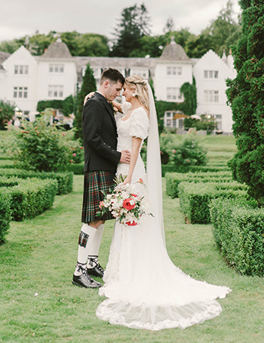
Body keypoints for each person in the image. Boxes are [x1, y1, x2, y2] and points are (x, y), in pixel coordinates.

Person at [96, 75, 230, 331]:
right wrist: (95, 97)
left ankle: (135, 272)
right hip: (121, 169)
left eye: (125, 89)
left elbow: (135, 150)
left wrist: (128, 180)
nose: (121, 92)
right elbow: (116, 106)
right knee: (125, 222)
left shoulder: (140, 115)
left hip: (131, 171)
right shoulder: (129, 108)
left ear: (134, 90)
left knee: (134, 220)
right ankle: (123, 272)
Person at [73, 68, 130, 289]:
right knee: (92, 220)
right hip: (97, 168)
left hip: (105, 169)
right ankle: (79, 270)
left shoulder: (101, 101)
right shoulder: (94, 104)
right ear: (106, 84)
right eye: (116, 89)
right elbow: (91, 139)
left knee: (102, 217)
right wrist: (117, 156)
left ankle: (91, 262)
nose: (118, 93)